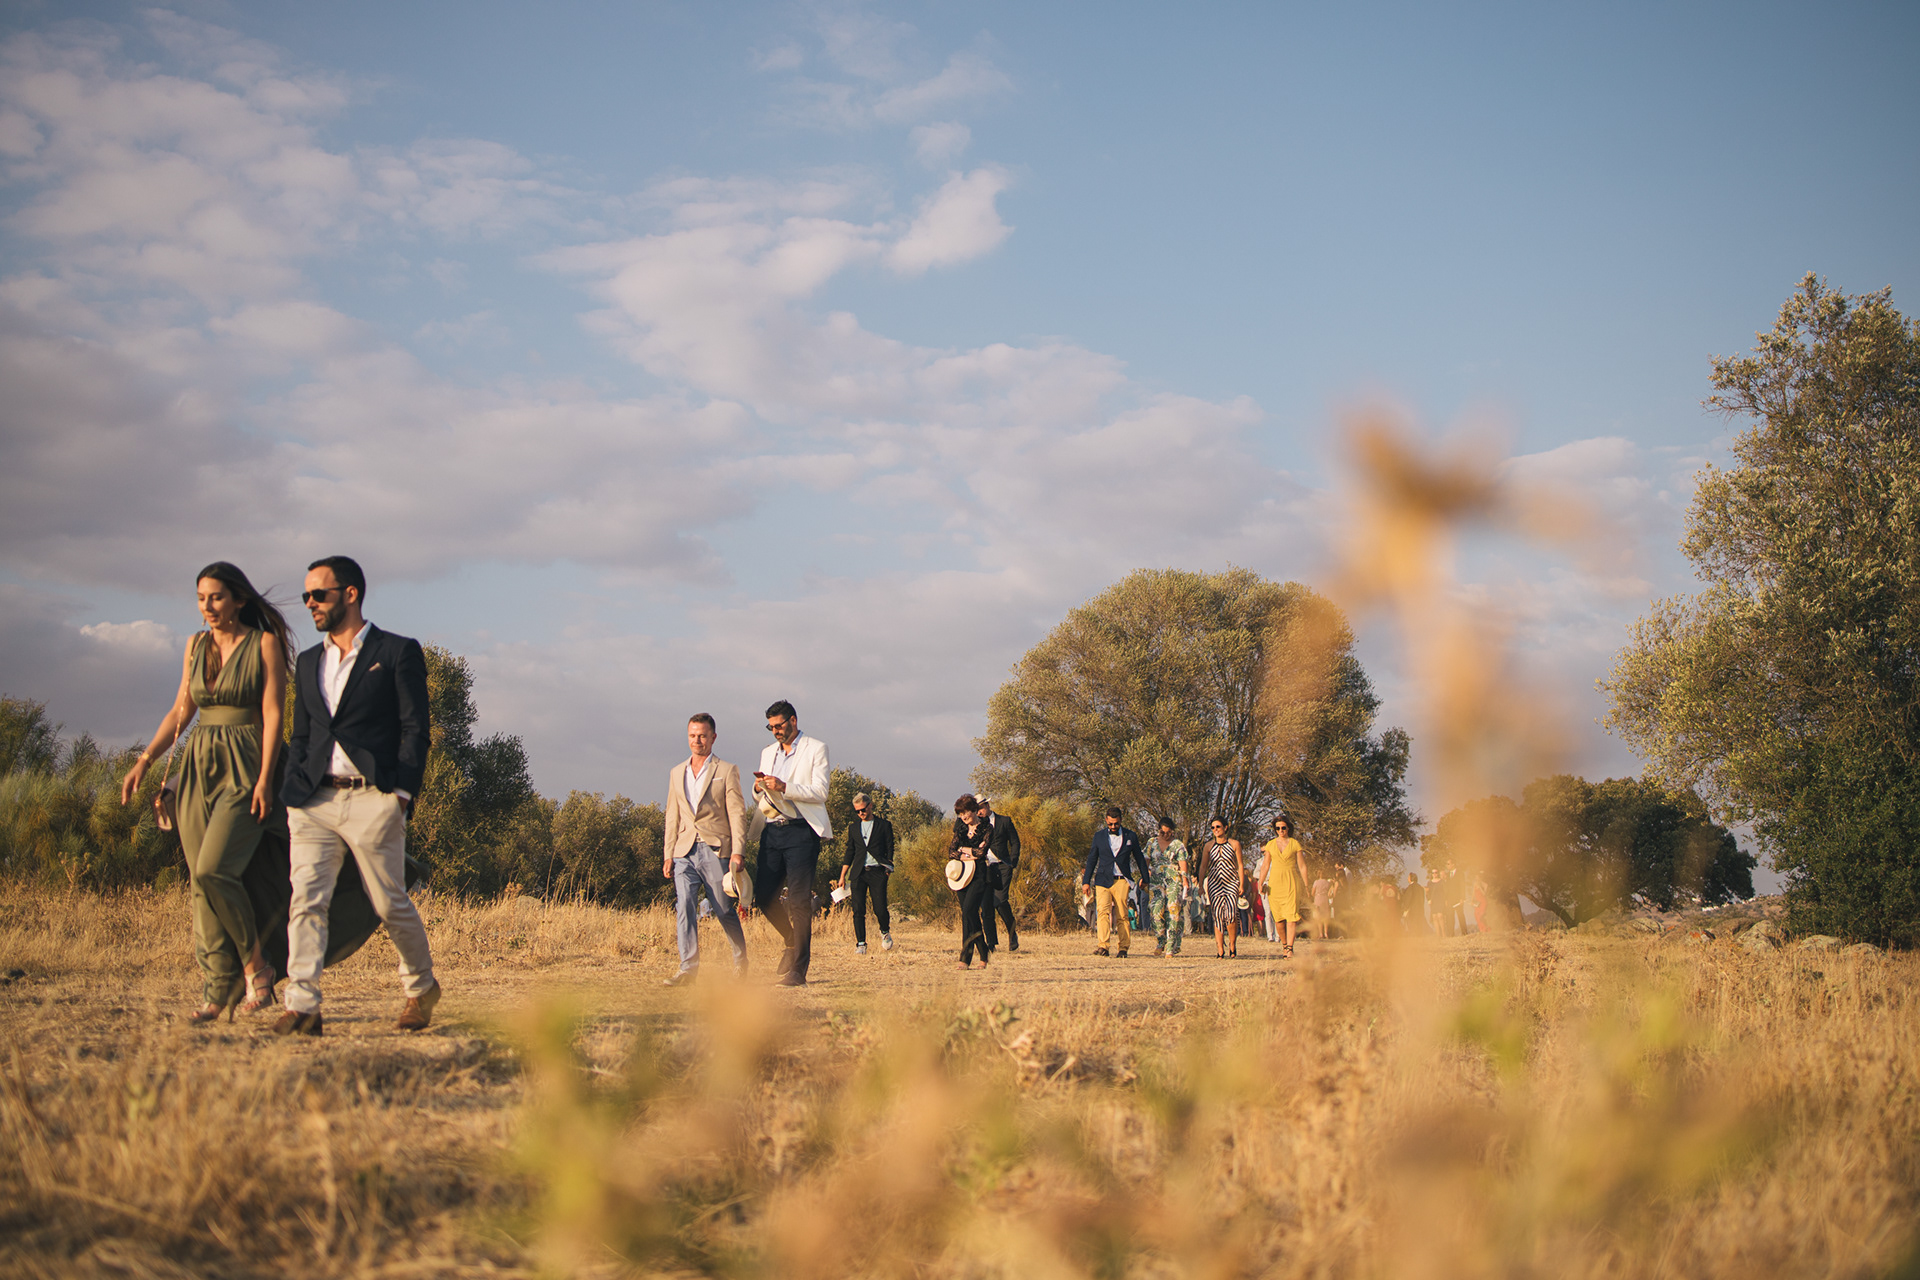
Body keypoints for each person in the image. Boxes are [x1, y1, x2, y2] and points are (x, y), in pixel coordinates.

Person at [119, 563, 291, 1022]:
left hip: (246, 763)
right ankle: (217, 990)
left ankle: (257, 967)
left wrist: (265, 778)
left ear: (238, 599)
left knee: (216, 869)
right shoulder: (195, 646)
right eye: (200, 598)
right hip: (200, 765)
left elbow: (273, 713)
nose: (207, 606)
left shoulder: (264, 644)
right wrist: (144, 760)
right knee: (200, 879)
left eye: (216, 597)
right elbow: (181, 709)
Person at [276, 556, 439, 1036]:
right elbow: (301, 735)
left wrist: (401, 794)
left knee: (388, 902)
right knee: (306, 900)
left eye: (318, 594)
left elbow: (415, 728)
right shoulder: (309, 662)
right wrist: (293, 792)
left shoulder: (396, 652)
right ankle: (303, 1005)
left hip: (374, 798)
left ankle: (421, 987)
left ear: (350, 594)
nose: (310, 603)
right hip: (314, 801)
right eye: (306, 596)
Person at [661, 713, 750, 986]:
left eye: (702, 735)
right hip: (683, 851)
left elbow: (737, 813)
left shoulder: (727, 770)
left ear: (713, 737)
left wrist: (738, 851)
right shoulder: (677, 772)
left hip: (716, 850)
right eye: (692, 735)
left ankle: (740, 962)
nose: (696, 740)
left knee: (723, 909)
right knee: (685, 906)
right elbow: (672, 815)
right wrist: (668, 854)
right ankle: (687, 969)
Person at [753, 700, 831, 987]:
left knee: (798, 901)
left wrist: (785, 786)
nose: (776, 731)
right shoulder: (767, 752)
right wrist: (758, 788)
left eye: (779, 725)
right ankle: (790, 940)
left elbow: (821, 791)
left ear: (793, 721)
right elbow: (761, 794)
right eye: (771, 727)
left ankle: (798, 970)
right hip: (771, 829)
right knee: (763, 896)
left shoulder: (816, 748)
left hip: (801, 830)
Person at [1082, 806, 1147, 957]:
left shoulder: (1130, 836)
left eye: (1116, 824)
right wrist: (1086, 882)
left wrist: (1145, 878)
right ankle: (1103, 946)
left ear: (1121, 821)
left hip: (1121, 880)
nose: (1113, 826)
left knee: (1122, 914)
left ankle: (1123, 948)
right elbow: (1092, 859)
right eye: (1110, 824)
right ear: (1106, 820)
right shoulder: (1099, 836)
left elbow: (1139, 858)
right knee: (1102, 912)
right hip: (1102, 879)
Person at [835, 791, 895, 954]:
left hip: (878, 872)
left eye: (863, 809)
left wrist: (888, 868)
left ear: (870, 806)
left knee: (880, 908)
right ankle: (861, 943)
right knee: (858, 910)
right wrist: (842, 876)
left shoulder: (884, 825)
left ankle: (885, 931)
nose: (860, 813)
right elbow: (850, 851)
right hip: (858, 873)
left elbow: (890, 847)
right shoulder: (853, 828)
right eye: (857, 811)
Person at [949, 795, 993, 968]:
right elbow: (952, 851)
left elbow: (981, 853)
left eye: (965, 813)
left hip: (979, 875)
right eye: (960, 814)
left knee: (968, 911)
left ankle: (964, 958)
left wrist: (964, 850)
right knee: (969, 915)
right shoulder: (960, 828)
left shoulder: (987, 828)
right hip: (961, 875)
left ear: (974, 810)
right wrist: (970, 852)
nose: (963, 817)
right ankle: (983, 950)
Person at [1257, 815, 1310, 959]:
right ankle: (1285, 944)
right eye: (1278, 828)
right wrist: (1260, 883)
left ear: (1288, 828)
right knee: (1279, 919)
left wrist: (1306, 885)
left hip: (1291, 882)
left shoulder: (1295, 844)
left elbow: (1302, 866)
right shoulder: (1271, 845)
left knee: (1291, 917)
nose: (1281, 830)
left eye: (1283, 828)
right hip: (1275, 885)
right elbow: (1265, 865)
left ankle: (1290, 948)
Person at [976, 795, 1022, 953]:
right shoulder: (976, 825)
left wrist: (1012, 861)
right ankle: (991, 943)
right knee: (986, 906)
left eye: (981, 808)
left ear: (988, 806)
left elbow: (1015, 842)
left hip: (1002, 866)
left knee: (1000, 901)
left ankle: (1012, 932)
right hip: (984, 868)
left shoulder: (1004, 821)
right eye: (976, 810)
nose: (979, 812)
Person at [1200, 818, 1248, 958]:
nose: (1215, 829)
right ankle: (1220, 949)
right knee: (1218, 915)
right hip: (1215, 883)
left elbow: (1240, 865)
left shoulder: (1234, 844)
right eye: (1213, 827)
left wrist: (1241, 884)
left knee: (1231, 914)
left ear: (1225, 827)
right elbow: (1203, 866)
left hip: (1231, 881)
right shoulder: (1208, 846)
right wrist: (1201, 885)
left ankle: (1232, 945)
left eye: (1218, 826)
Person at [1142, 817, 1189, 957]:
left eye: (1168, 833)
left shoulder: (1177, 844)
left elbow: (1183, 864)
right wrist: (1144, 877)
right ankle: (1161, 940)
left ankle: (1170, 946)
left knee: (1173, 912)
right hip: (1156, 881)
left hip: (1173, 880)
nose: (1165, 835)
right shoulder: (1151, 843)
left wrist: (1185, 881)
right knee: (1155, 912)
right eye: (1162, 832)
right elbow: (1146, 861)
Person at [1310, 863, 1340, 940]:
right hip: (1325, 899)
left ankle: (1321, 934)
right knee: (1325, 917)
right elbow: (1330, 892)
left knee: (1319, 917)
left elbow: (1312, 893)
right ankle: (1326, 933)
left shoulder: (1316, 882)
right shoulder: (1327, 882)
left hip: (1318, 899)